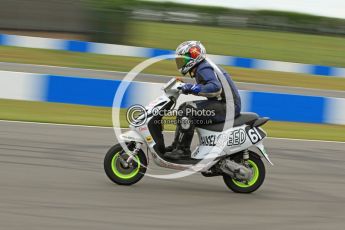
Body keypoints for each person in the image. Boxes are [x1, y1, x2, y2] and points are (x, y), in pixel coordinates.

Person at [164, 41, 242, 160]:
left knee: (187, 111)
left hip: (228, 106)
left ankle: (183, 150)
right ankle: (177, 146)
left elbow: (216, 87)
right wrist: (187, 87)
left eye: (183, 59)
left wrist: (192, 88)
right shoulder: (202, 67)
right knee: (184, 108)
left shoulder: (203, 68)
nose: (180, 63)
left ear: (194, 56)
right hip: (224, 103)